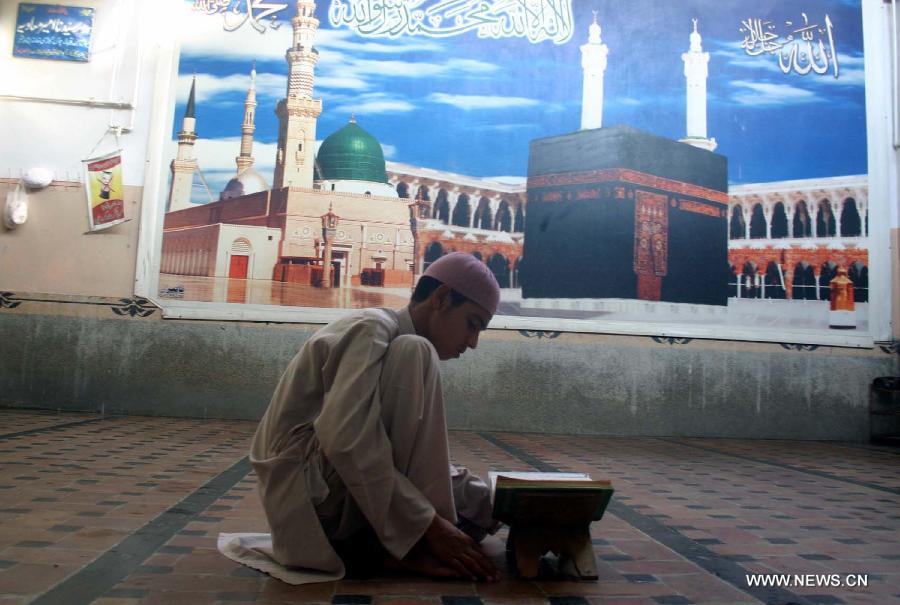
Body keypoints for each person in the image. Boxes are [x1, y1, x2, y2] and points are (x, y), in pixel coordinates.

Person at [246, 252, 502, 583]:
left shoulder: (392, 339)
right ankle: (408, 546)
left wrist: (498, 506)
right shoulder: (373, 328)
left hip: (328, 484)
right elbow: (347, 440)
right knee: (416, 351)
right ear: (441, 298)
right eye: (472, 324)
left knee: (477, 498)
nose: (473, 342)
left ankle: (408, 536)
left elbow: (417, 463)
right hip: (308, 500)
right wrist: (431, 525)